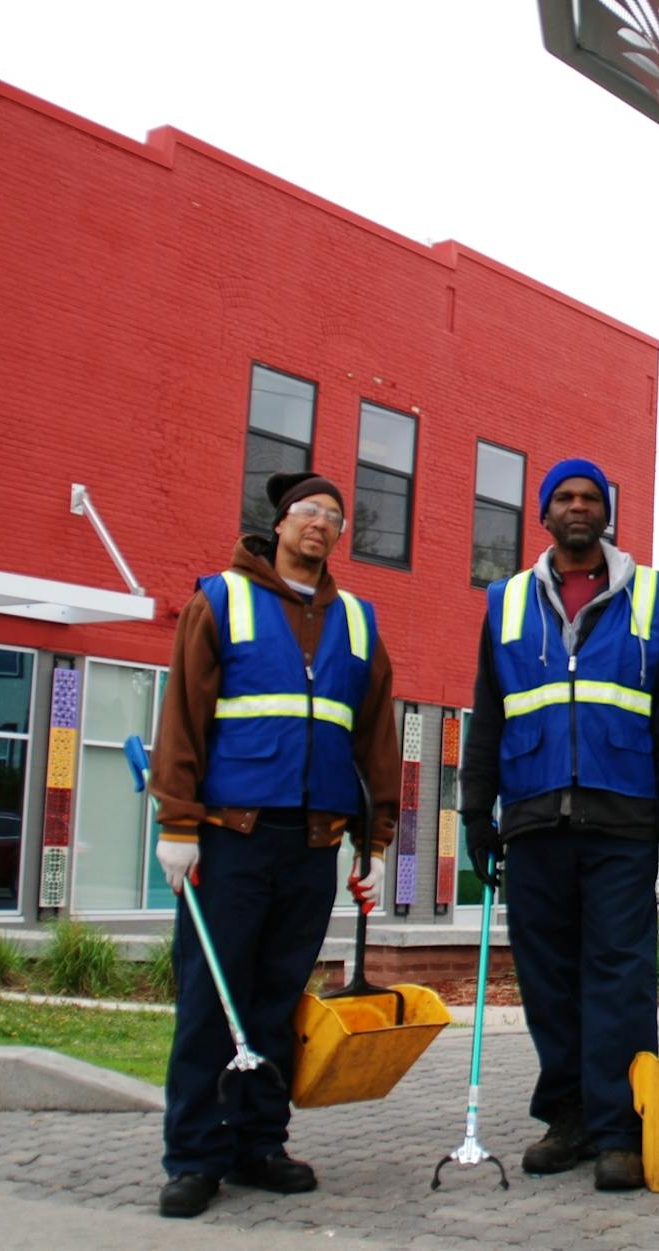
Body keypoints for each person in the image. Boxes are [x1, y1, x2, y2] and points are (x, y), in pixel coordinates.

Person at [149, 472, 400, 1219]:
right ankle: (195, 1155)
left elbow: (376, 736)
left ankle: (259, 1142)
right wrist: (177, 824)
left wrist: (374, 840)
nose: (319, 524)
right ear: (280, 522)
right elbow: (185, 715)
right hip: (229, 840)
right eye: (307, 512)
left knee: (274, 1000)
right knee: (208, 1000)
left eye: (334, 516)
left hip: (313, 844)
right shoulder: (221, 600)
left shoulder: (356, 620)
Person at [460, 457, 659, 1192]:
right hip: (533, 820)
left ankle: (621, 1129)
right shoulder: (504, 603)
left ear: (607, 513)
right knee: (549, 979)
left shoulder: (652, 600)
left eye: (590, 496)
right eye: (564, 496)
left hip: (622, 820)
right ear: (543, 513)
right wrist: (475, 809)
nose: (577, 506)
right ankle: (567, 1117)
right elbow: (488, 718)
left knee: (620, 978)